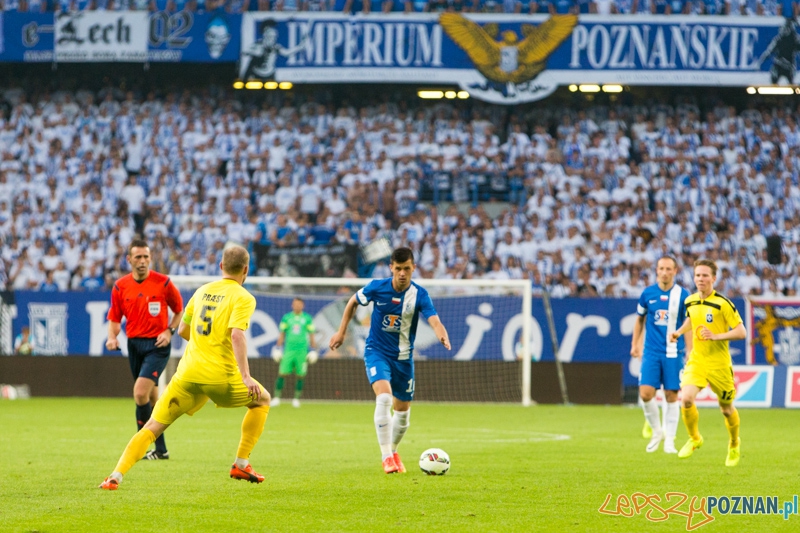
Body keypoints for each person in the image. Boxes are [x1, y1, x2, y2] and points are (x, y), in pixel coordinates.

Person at [100, 245, 271, 490]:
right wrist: (246, 376)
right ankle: (241, 463)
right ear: (246, 270)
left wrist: (204, 346)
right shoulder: (244, 297)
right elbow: (237, 335)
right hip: (220, 377)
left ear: (221, 266)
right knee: (262, 400)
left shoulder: (202, 291)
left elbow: (182, 330)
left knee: (152, 426)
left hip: (187, 374)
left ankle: (115, 476)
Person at [329, 247, 451, 474]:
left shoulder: (420, 294)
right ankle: (386, 457)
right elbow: (353, 302)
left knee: (402, 414)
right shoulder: (377, 287)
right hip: (377, 352)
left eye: (407, 269)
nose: (402, 273)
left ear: (413, 268)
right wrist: (341, 332)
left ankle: (393, 451)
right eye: (398, 269)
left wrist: (441, 333)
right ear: (391, 268)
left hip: (404, 358)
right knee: (384, 397)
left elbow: (434, 320)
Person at [106, 239, 184, 461]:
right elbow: (114, 317)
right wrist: (112, 337)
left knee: (140, 393)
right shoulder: (120, 286)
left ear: (150, 259)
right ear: (129, 259)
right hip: (134, 345)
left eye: (146, 257)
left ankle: (140, 445)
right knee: (151, 397)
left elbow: (180, 311)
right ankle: (161, 450)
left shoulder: (163, 283)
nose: (142, 261)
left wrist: (169, 331)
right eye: (138, 257)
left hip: (157, 346)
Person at [669, 259, 747, 467]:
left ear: (713, 278)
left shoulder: (723, 303)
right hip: (698, 360)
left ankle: (734, 443)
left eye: (705, 275)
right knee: (686, 399)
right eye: (697, 275)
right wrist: (679, 332)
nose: (700, 279)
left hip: (719, 364)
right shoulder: (690, 301)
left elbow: (741, 332)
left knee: (726, 409)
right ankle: (695, 438)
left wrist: (716, 336)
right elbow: (692, 319)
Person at [630, 256, 692, 454]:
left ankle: (670, 441)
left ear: (675, 271)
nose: (665, 272)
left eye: (668, 269)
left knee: (671, 395)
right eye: (661, 268)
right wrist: (635, 344)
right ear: (656, 271)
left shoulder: (683, 295)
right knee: (645, 393)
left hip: (673, 352)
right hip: (651, 351)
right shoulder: (647, 294)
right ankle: (657, 431)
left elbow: (688, 324)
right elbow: (639, 320)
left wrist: (690, 350)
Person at [271, 298, 317, 408]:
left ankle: (296, 399)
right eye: (295, 304)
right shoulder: (287, 318)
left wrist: (313, 350)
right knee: (282, 373)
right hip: (289, 350)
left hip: (302, 351)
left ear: (303, 306)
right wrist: (277, 347)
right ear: (292, 305)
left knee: (300, 375)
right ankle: (276, 398)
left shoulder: (307, 318)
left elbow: (311, 334)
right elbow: (282, 334)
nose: (297, 306)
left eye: (299, 304)